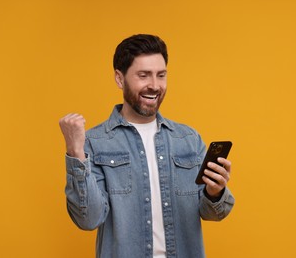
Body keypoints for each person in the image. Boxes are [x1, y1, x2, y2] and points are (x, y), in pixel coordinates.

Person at [59, 34, 235, 258]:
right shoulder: (94, 142)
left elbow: (215, 213)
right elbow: (88, 219)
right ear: (120, 79)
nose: (154, 85)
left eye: (161, 75)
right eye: (143, 75)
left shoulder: (188, 139)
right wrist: (75, 153)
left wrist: (215, 191)